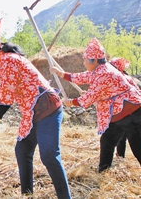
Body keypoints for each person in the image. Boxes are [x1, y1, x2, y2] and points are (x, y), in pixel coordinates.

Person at [0, 19, 71, 198]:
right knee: (22, 150)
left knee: (49, 155)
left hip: (47, 109)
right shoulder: (4, 63)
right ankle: (27, 195)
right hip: (32, 113)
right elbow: (1, 92)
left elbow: (7, 97)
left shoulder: (8, 61)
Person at [51, 38, 141, 173]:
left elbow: (88, 98)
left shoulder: (104, 74)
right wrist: (61, 74)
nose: (83, 63)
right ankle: (103, 171)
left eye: (85, 60)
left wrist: (71, 102)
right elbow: (82, 77)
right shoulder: (98, 70)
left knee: (138, 148)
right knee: (107, 141)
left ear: (94, 60)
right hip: (117, 114)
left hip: (132, 113)